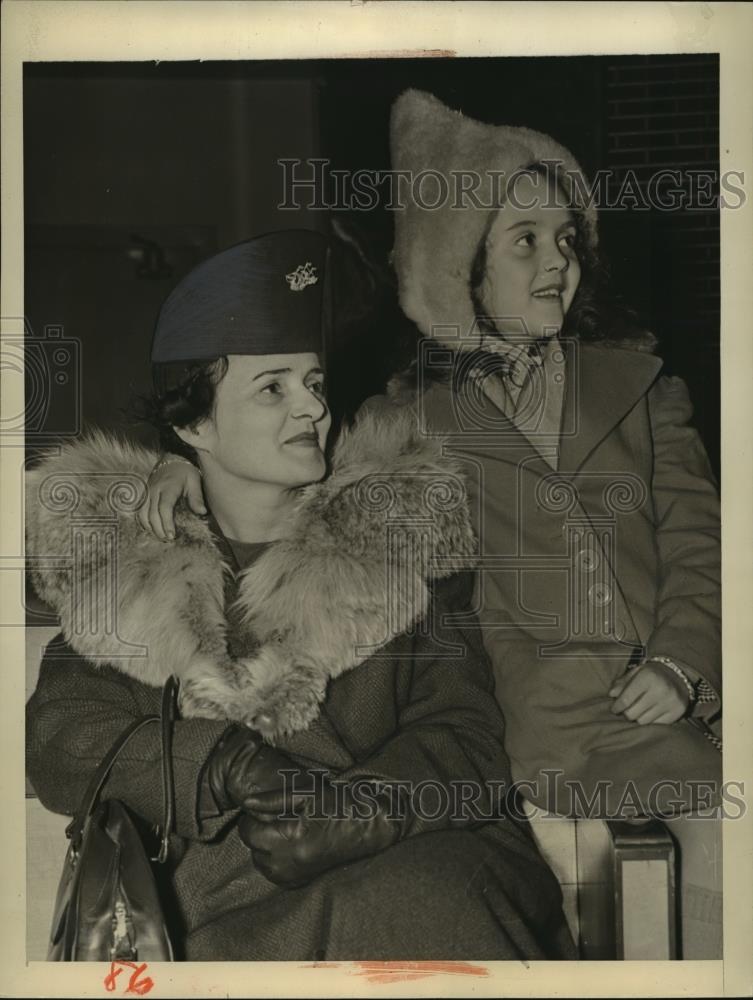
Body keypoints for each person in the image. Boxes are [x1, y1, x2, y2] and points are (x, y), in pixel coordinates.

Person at [141, 94, 723, 957]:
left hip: (686, 706)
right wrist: (185, 458)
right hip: (544, 734)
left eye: (565, 237)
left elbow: (700, 543)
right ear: (460, 269)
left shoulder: (644, 386)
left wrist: (685, 661)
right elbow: (294, 475)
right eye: (522, 240)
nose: (554, 260)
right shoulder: (405, 420)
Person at [25, 229, 576, 961]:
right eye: (272, 388)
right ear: (194, 424)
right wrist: (218, 761)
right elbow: (60, 741)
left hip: (415, 861)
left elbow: (467, 732)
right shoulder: (127, 570)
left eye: (313, 384)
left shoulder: (396, 544)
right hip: (230, 916)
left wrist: (360, 809)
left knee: (427, 900)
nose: (310, 410)